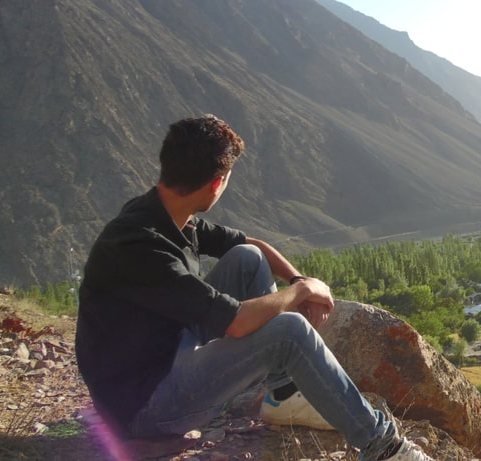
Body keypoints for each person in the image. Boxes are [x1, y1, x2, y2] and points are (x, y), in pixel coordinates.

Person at [75, 114, 432, 461]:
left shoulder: (165, 214)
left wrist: (296, 279)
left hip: (158, 356)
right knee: (289, 331)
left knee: (246, 257)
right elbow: (237, 323)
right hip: (143, 406)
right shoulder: (142, 247)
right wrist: (302, 293)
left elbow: (251, 244)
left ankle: (283, 393)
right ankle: (384, 448)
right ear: (217, 182)